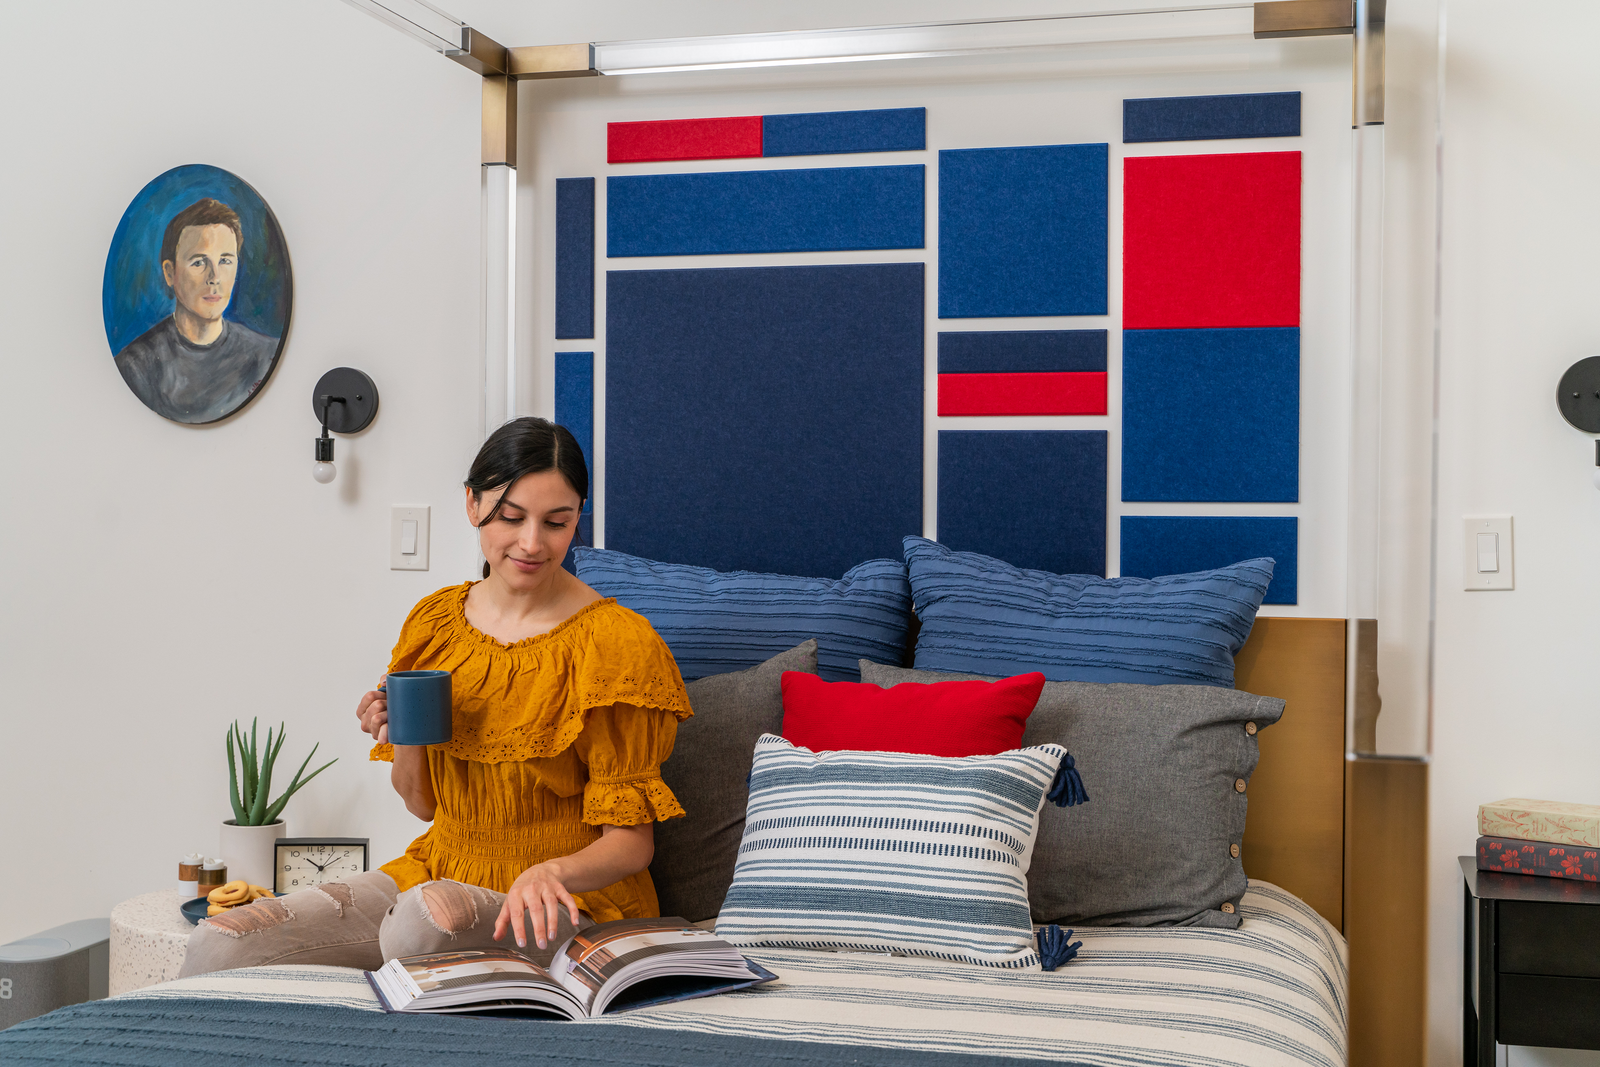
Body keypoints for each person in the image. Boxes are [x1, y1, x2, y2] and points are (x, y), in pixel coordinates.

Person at [181, 418, 691, 975]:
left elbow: (632, 844)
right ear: (472, 505)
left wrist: (554, 872)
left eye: (556, 522)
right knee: (222, 941)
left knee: (418, 926)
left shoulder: (617, 644)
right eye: (511, 516)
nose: (531, 542)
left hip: (567, 903)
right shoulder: (435, 624)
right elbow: (423, 805)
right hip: (438, 869)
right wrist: (403, 735)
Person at [115, 197, 280, 424]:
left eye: (225, 261)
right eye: (199, 262)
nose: (214, 278)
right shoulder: (135, 367)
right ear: (170, 273)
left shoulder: (267, 357)